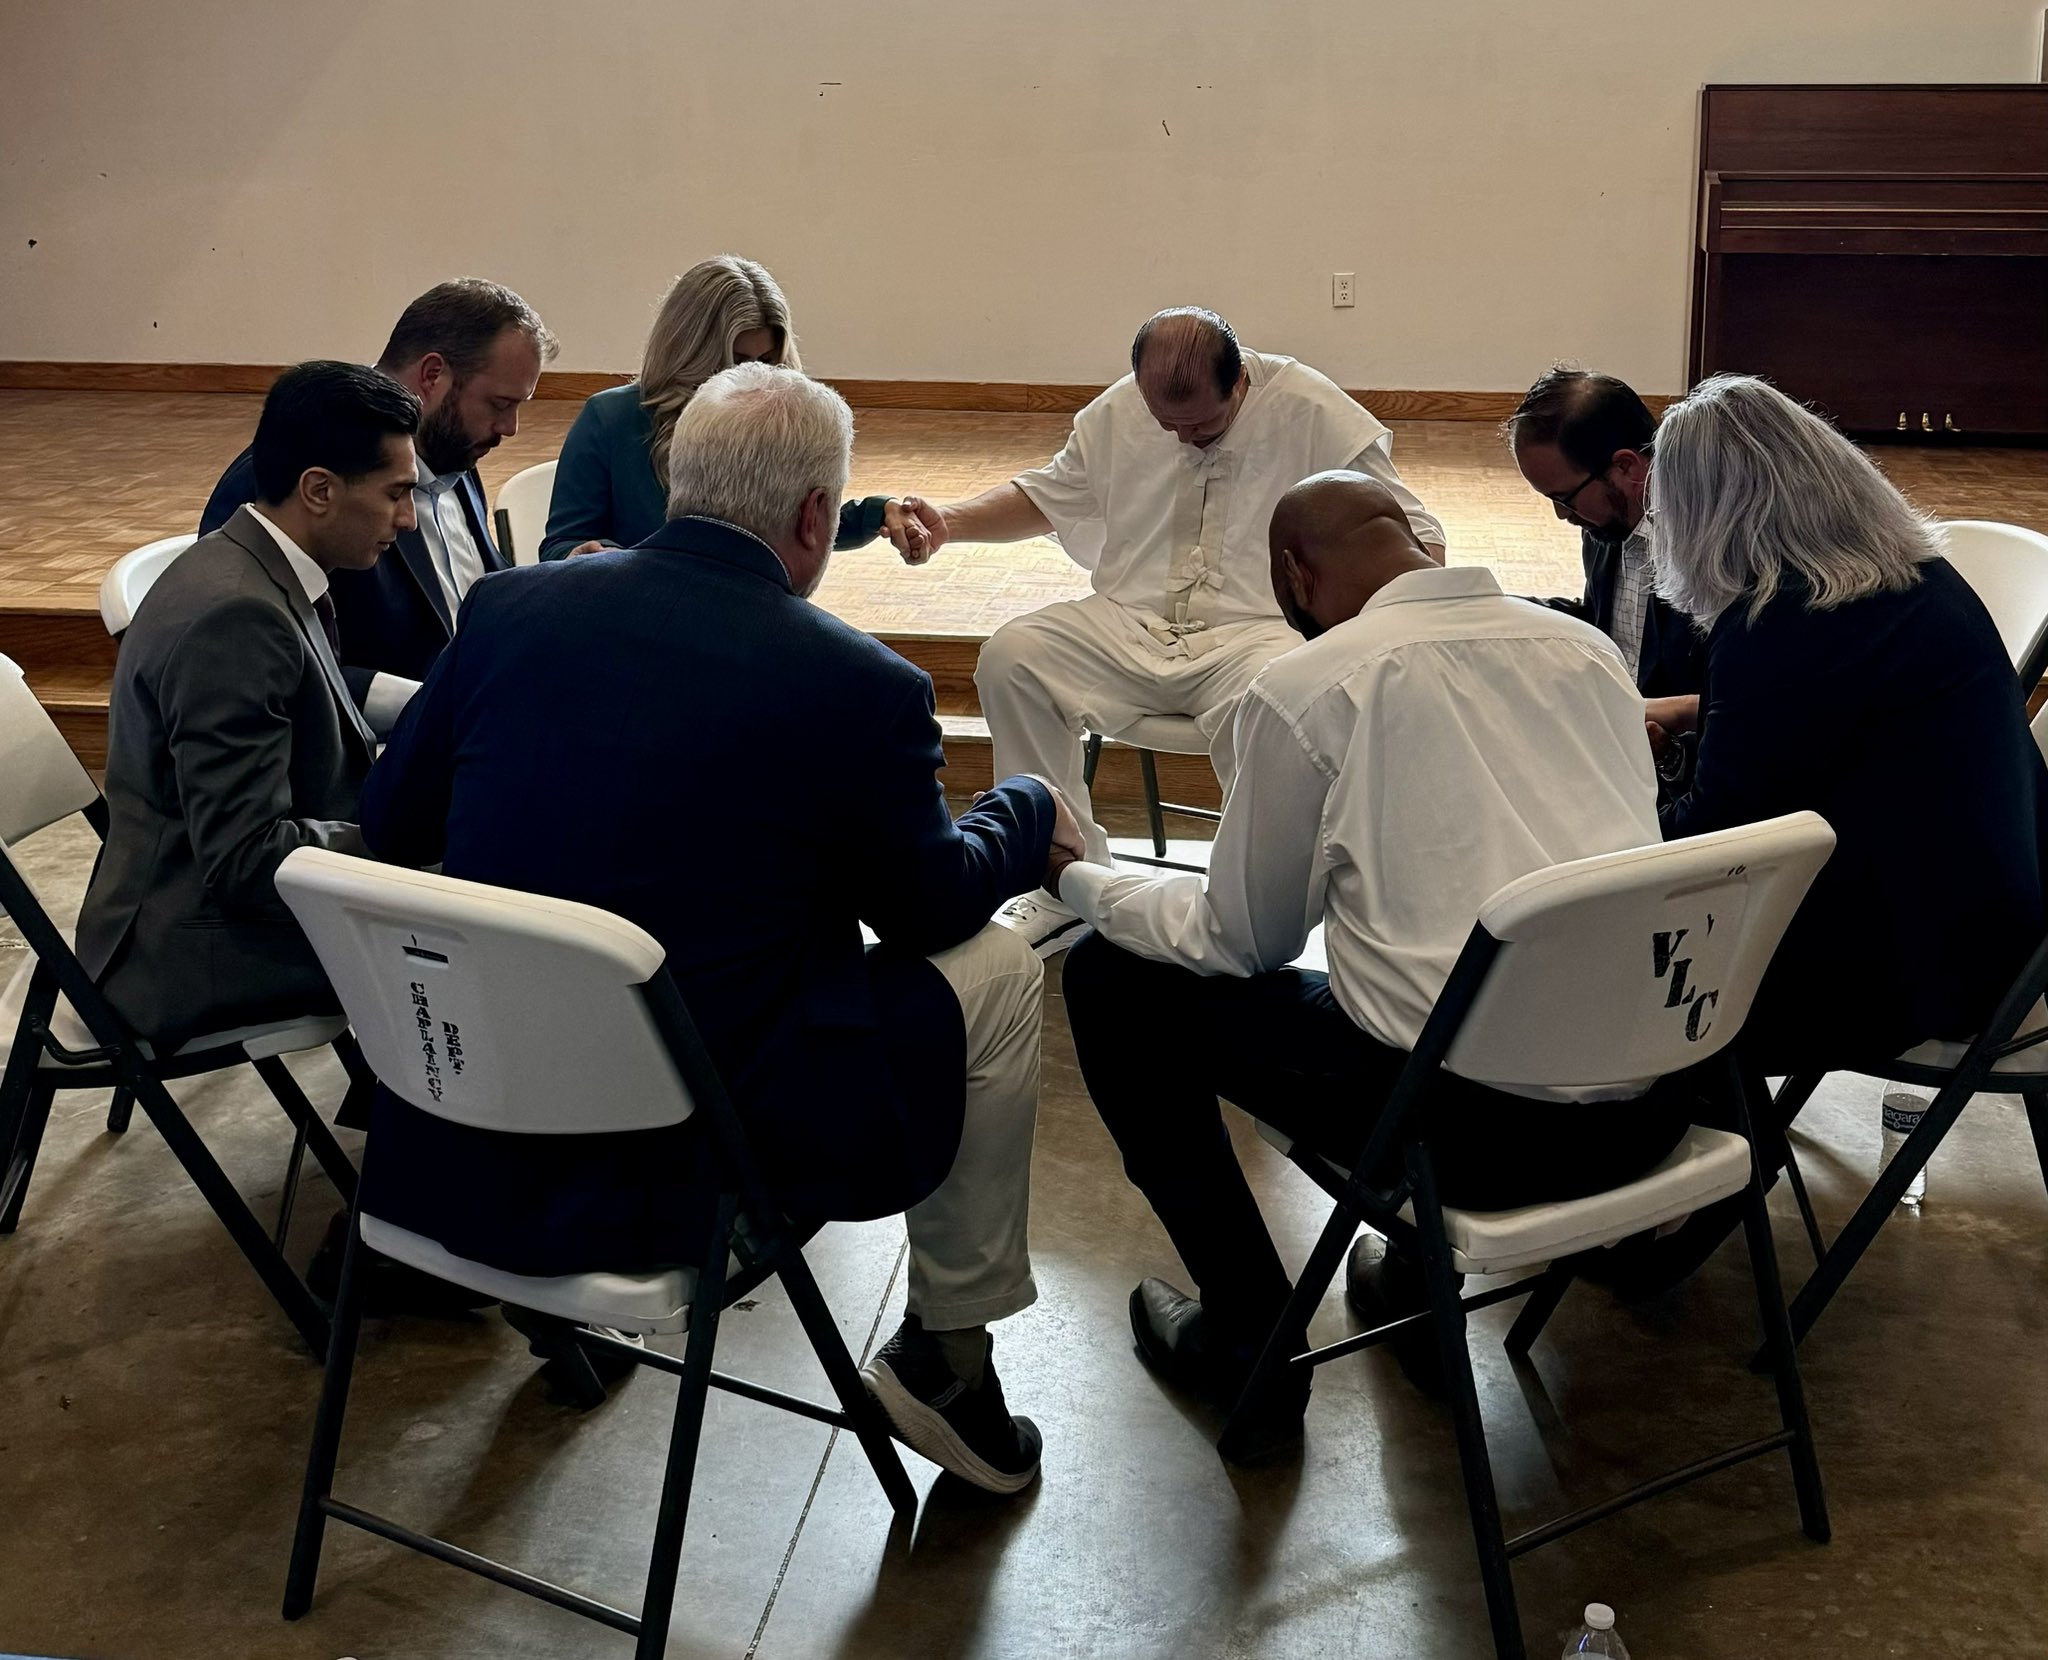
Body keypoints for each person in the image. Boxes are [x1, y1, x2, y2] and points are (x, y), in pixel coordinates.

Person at [359, 363, 1081, 1495]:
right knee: (990, 964)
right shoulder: (858, 686)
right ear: (812, 517)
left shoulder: (508, 610)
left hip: (457, 1125)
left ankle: (940, 1355)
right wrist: (1025, 804)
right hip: (685, 1152)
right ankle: (949, 1351)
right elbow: (930, 904)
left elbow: (389, 825)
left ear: (677, 482)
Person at [1057, 472, 1688, 1445]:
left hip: (1470, 1142)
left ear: (1291, 574)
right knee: (1431, 979)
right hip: (1651, 1107)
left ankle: (1251, 1347)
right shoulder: (1589, 652)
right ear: (1420, 545)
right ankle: (1405, 1269)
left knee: (1114, 979)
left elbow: (1240, 939)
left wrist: (1084, 882)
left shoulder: (1311, 687)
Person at [1599, 373, 2048, 1291]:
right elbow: (1818, 740)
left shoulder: (1781, 625)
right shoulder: (1910, 578)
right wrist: (1695, 716)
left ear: (1704, 517)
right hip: (2001, 924)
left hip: (1928, 975)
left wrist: (1598, 826)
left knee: (1614, 973)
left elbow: (1715, 846)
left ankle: (1664, 1206)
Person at [892, 307, 1447, 955]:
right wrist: (949, 523)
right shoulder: (1124, 408)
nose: (1183, 439)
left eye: (1202, 424)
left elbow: (1419, 537)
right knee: (1015, 655)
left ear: (1238, 382)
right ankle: (1060, 877)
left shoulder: (1312, 410)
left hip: (1254, 633)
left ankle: (1246, 905)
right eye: (1167, 426)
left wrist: (1376, 638)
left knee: (1282, 693)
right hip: (1130, 623)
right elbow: (1051, 495)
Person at [76, 362, 420, 1045]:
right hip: (188, 956)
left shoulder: (257, 566)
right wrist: (407, 843)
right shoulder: (236, 617)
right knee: (476, 948)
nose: (407, 520)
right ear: (318, 490)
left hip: (208, 916)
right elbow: (247, 861)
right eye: (395, 494)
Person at [199, 279, 556, 723]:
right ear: (432, 375)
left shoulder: (454, 448)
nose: (510, 428)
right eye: (499, 403)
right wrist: (438, 703)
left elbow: (474, 583)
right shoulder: (285, 478)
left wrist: (564, 585)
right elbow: (265, 666)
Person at [541, 255, 923, 561]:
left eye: (769, 361)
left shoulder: (774, 420)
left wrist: (879, 512)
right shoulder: (610, 420)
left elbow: (798, 529)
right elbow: (560, 546)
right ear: (689, 352)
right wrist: (589, 556)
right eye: (736, 361)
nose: (755, 377)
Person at [1505, 366, 1708, 761]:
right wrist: (1498, 611)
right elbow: (1608, 622)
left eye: (1565, 498)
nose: (1562, 516)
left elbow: (1750, 699)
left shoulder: (1710, 549)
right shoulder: (1604, 522)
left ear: (1626, 467)